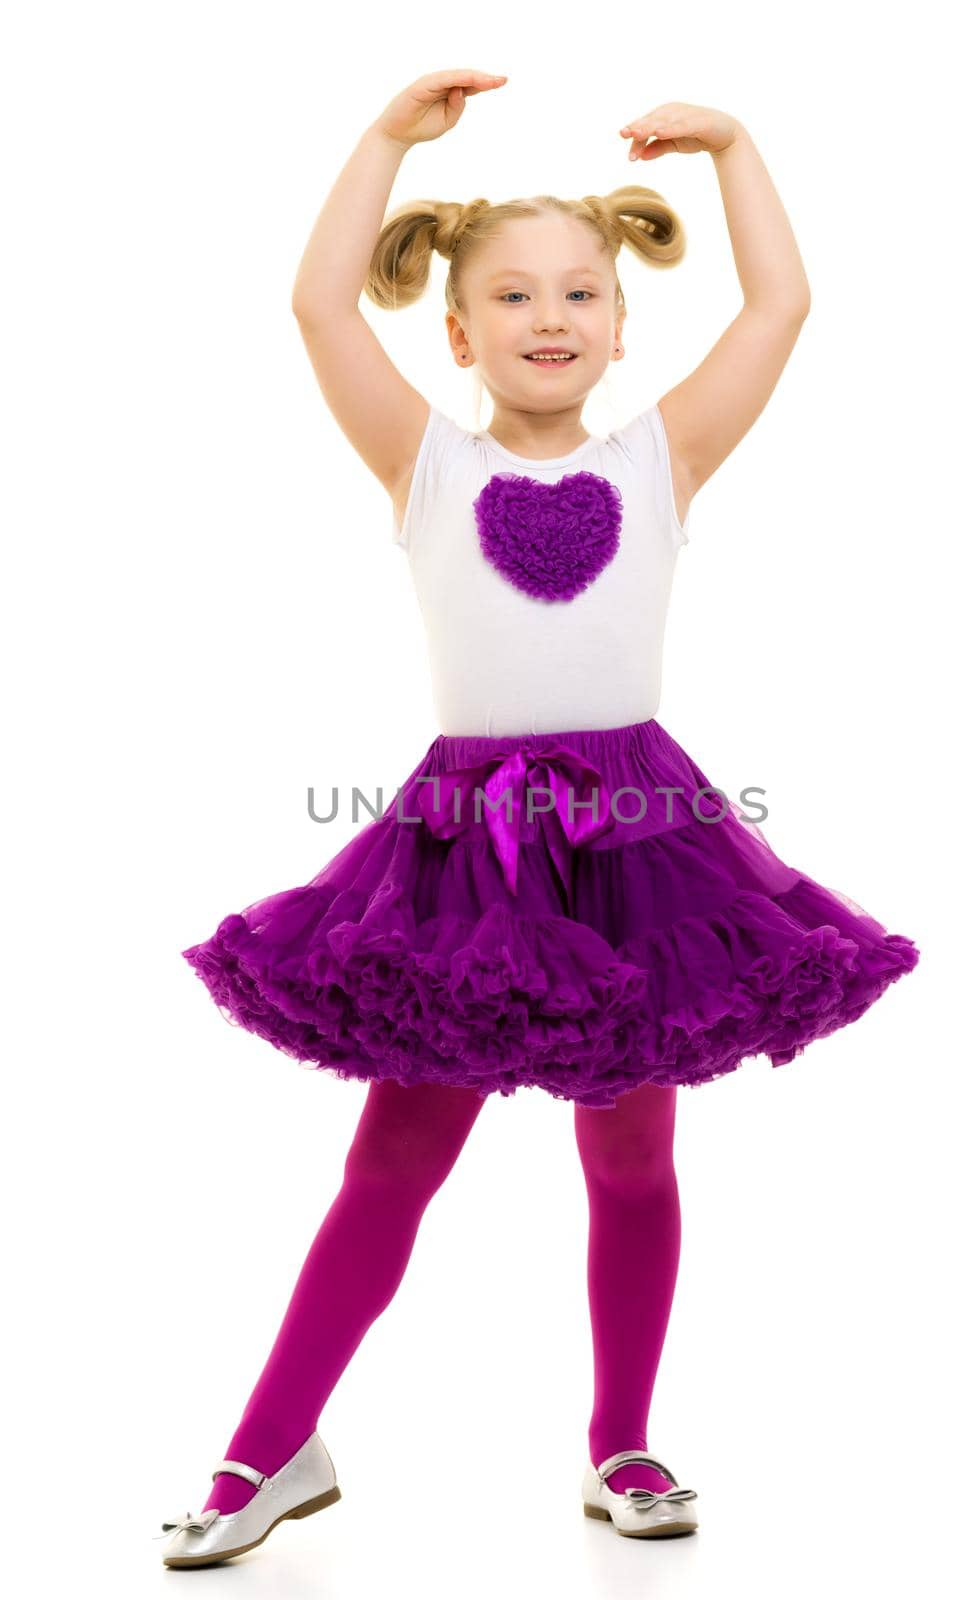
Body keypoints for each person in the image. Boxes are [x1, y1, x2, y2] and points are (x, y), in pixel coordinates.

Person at [159, 70, 920, 1565]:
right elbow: (320, 310)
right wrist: (386, 142)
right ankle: (267, 1450)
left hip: (640, 847)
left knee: (632, 1157)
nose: (549, 317)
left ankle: (622, 1440)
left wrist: (739, 149)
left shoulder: (660, 455)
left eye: (580, 292)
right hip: (467, 854)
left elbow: (779, 309)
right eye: (511, 297)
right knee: (395, 1158)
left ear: (625, 327)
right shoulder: (425, 458)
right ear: (457, 332)